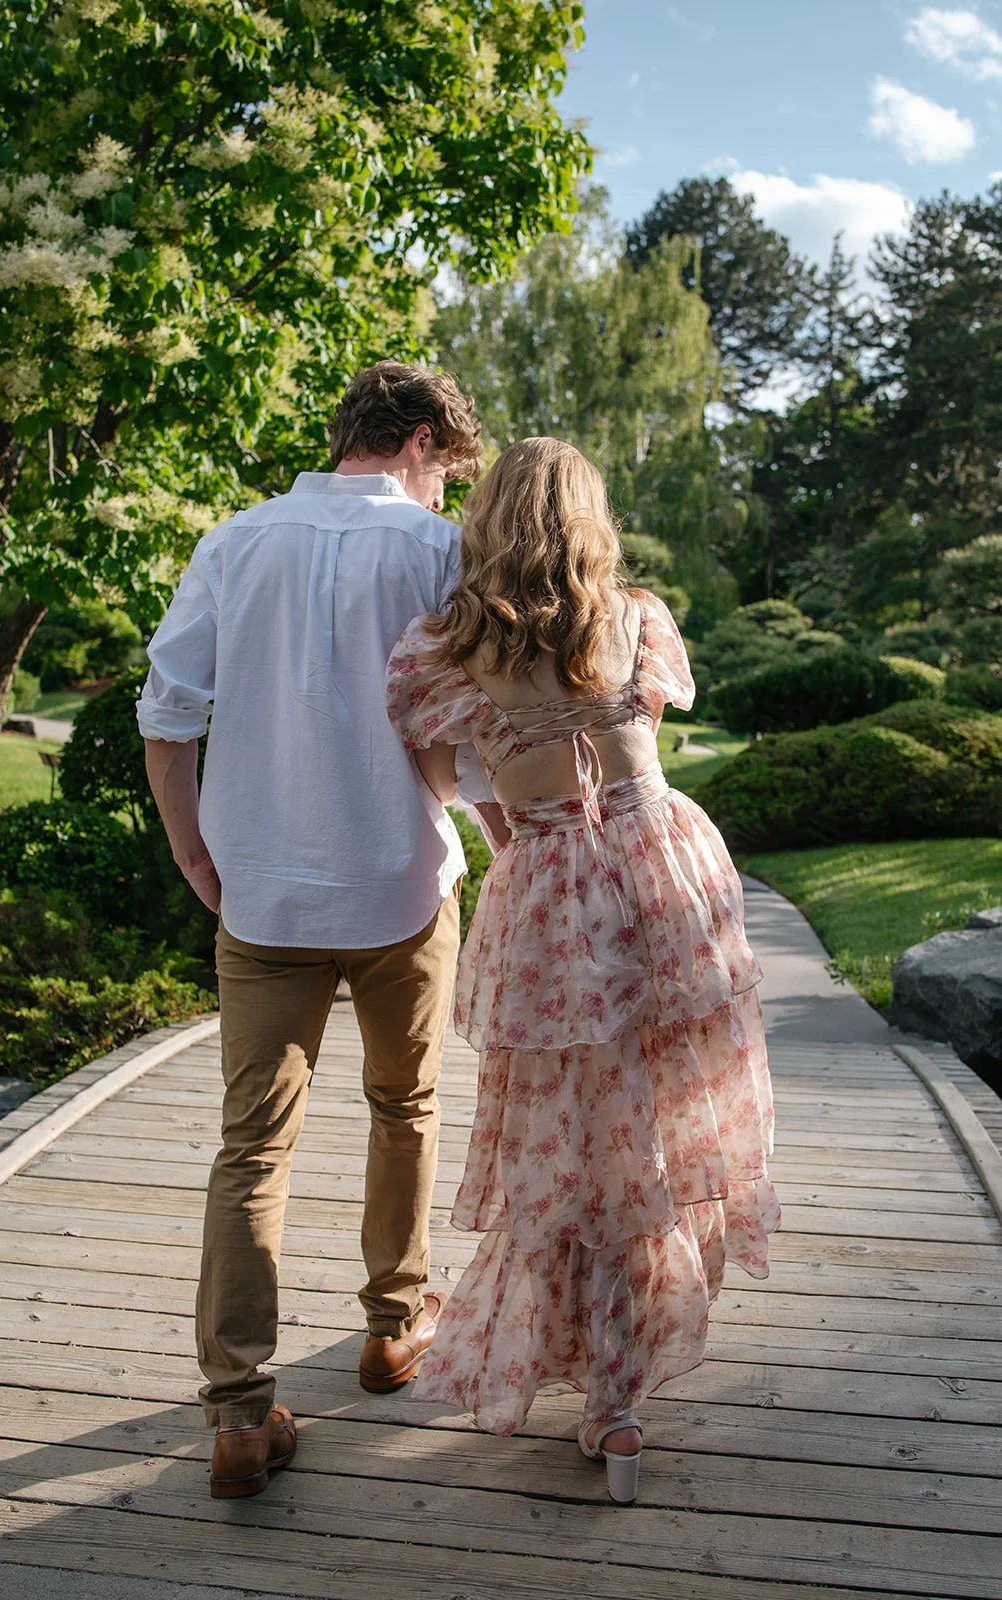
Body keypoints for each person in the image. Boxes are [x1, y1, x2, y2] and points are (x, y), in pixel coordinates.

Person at [385, 436, 779, 1504]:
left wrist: (521, 824)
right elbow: (640, 739)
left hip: (549, 885)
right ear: (589, 520)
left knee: (571, 1138)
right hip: (666, 872)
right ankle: (618, 1399)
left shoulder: (439, 648)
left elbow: (456, 781)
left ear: (489, 519)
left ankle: (600, 1392)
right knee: (652, 1128)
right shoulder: (638, 619)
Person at [137, 361, 485, 1499]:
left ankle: (237, 1412)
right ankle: (393, 1326)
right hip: (401, 883)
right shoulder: (437, 554)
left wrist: (196, 852)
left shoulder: (235, 541)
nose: (450, 493)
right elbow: (471, 726)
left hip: (266, 894)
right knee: (407, 1104)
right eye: (451, 470)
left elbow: (167, 714)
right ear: (422, 439)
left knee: (251, 1147)